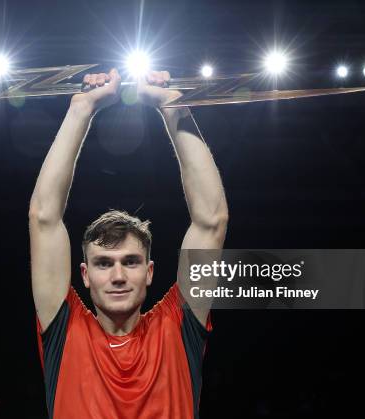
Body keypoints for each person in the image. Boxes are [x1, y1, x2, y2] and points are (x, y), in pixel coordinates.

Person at [28, 68, 229, 419]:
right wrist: (82, 108)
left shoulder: (177, 328)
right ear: (85, 274)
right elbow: (44, 218)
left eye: (131, 261)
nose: (118, 275)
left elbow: (211, 221)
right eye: (104, 263)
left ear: (150, 271)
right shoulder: (66, 330)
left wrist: (172, 107)